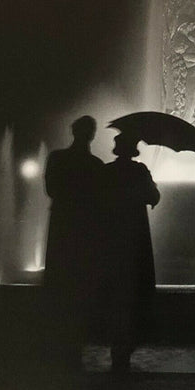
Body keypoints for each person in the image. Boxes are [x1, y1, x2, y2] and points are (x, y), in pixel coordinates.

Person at [96, 133, 161, 372]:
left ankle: (116, 343)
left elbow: (96, 199)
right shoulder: (140, 171)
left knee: (114, 291)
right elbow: (153, 197)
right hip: (135, 235)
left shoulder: (106, 171)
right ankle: (127, 343)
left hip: (112, 237)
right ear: (134, 150)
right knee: (134, 289)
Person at [44, 115, 103, 364]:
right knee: (81, 281)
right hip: (84, 229)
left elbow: (51, 190)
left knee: (60, 280)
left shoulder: (56, 158)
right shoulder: (96, 164)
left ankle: (59, 341)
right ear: (92, 135)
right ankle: (76, 339)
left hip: (61, 224)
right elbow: (103, 199)